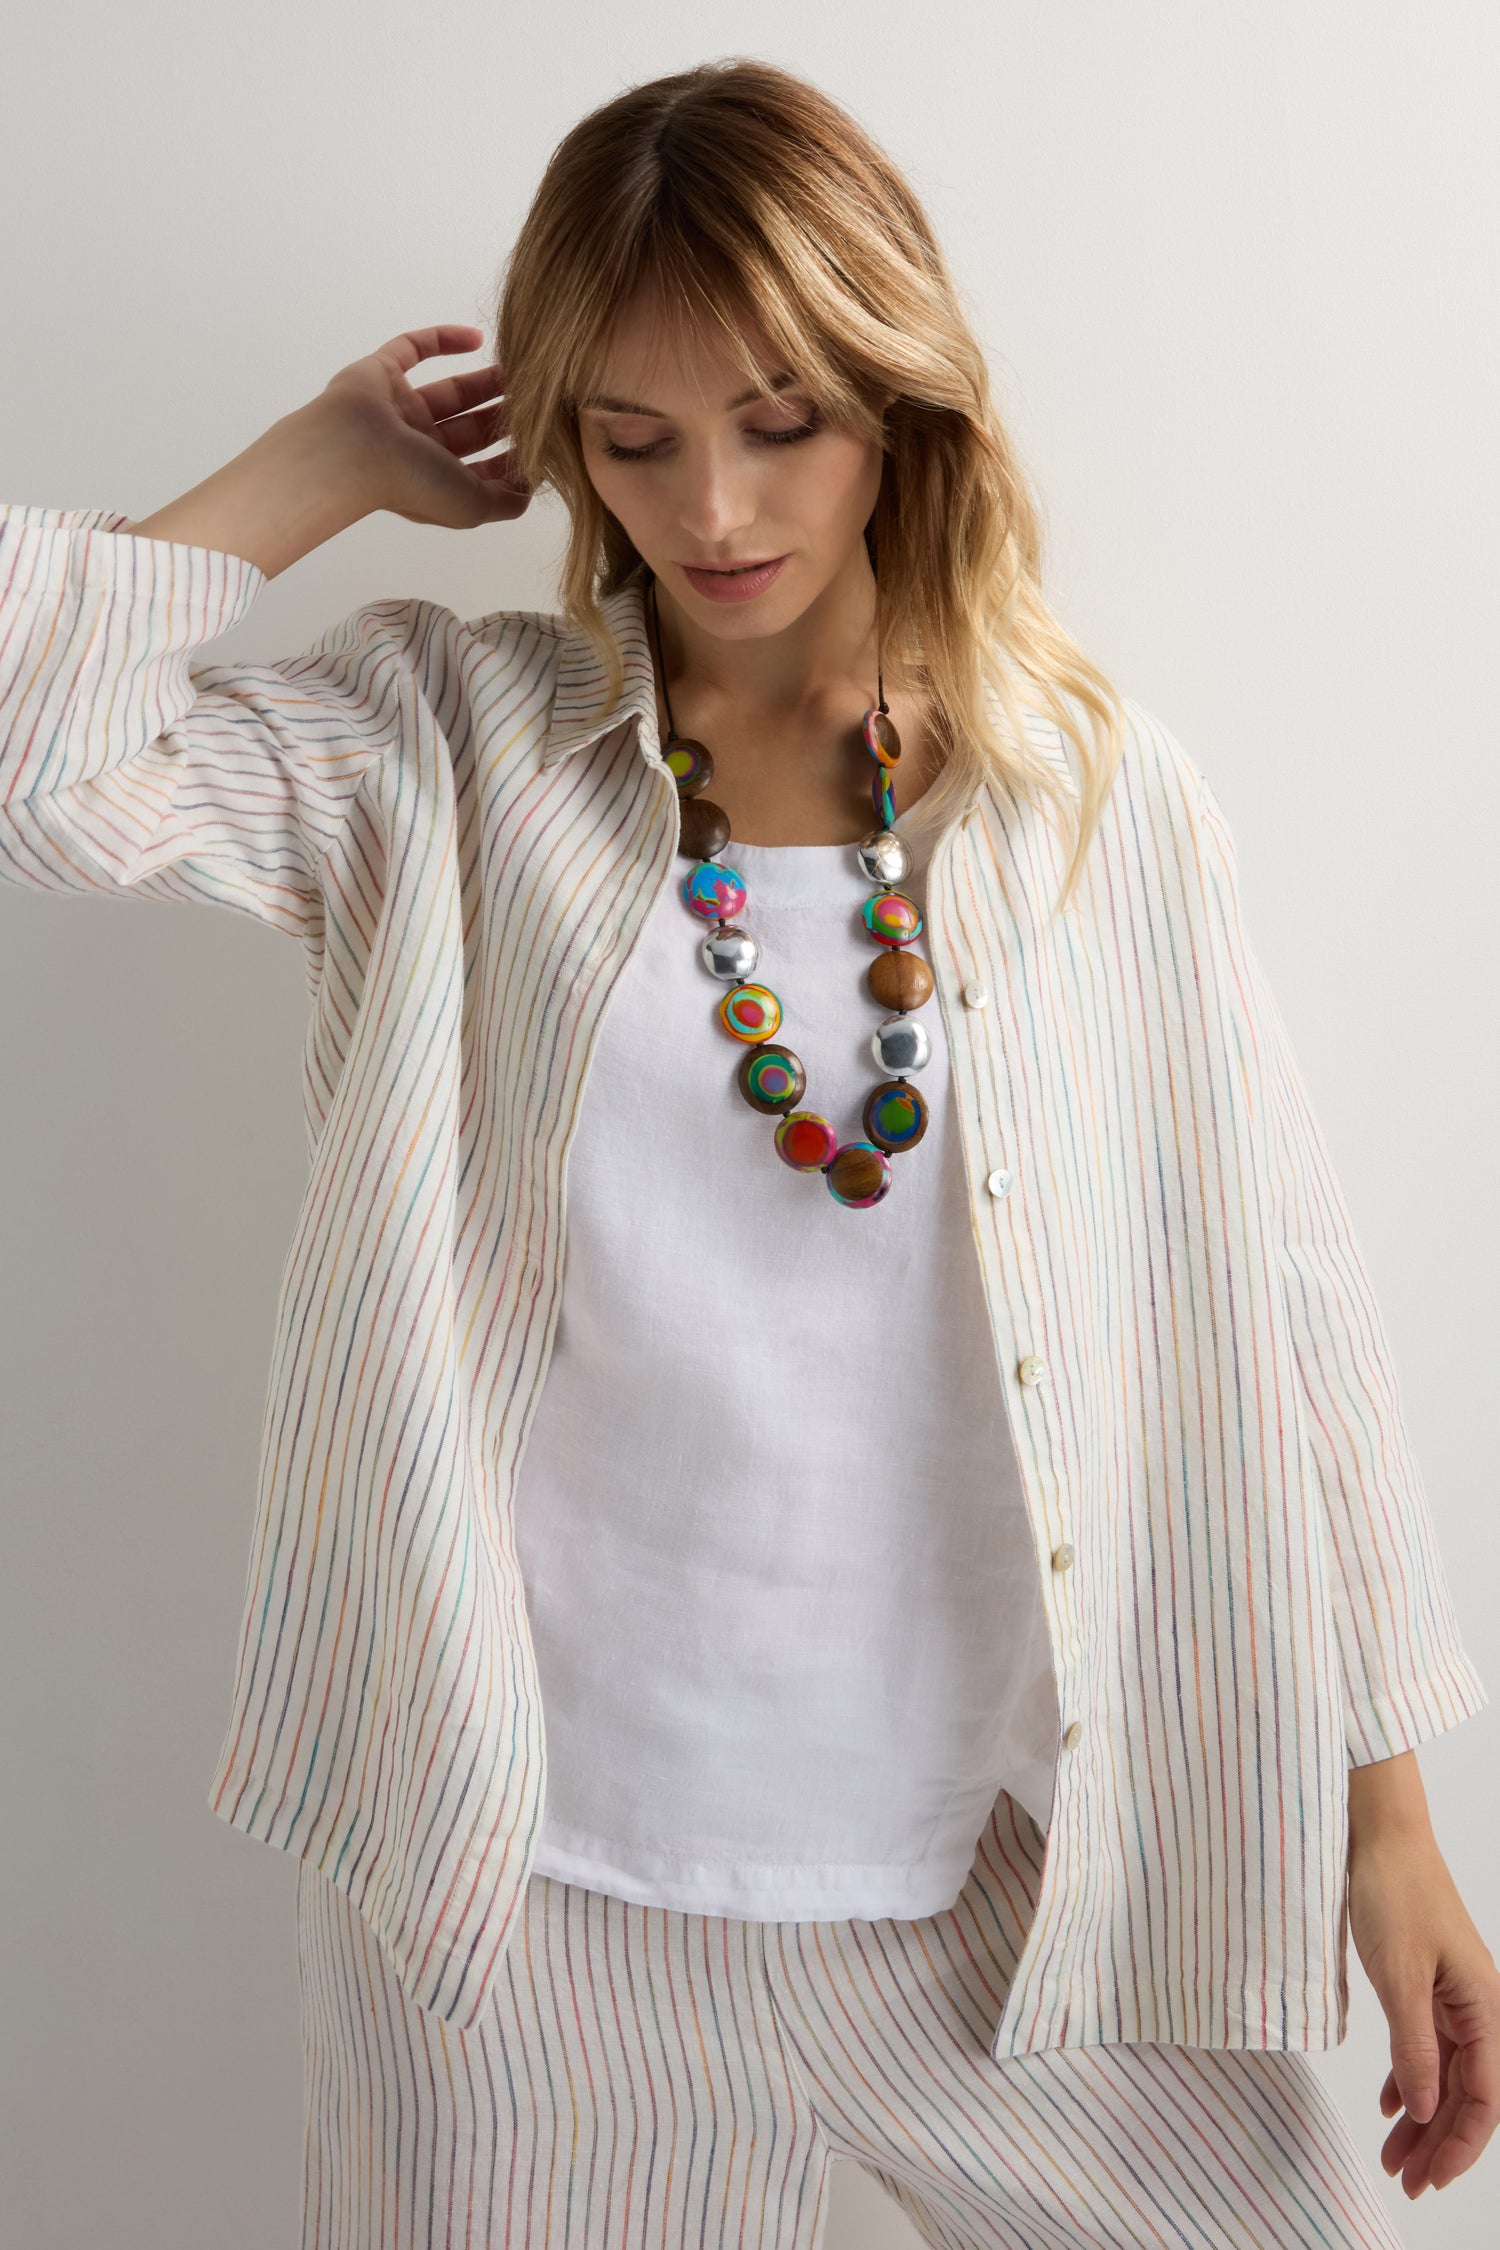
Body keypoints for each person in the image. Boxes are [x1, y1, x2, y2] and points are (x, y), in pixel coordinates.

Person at [1, 54, 1495, 2250]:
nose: (713, 509)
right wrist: (323, 463)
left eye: (782, 419)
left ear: (900, 404)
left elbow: (1277, 1296)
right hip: (523, 1933)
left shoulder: (1085, 795)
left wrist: (1389, 1820)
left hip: (1023, 1906)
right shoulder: (449, 750)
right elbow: (35, 767)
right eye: (635, 435)